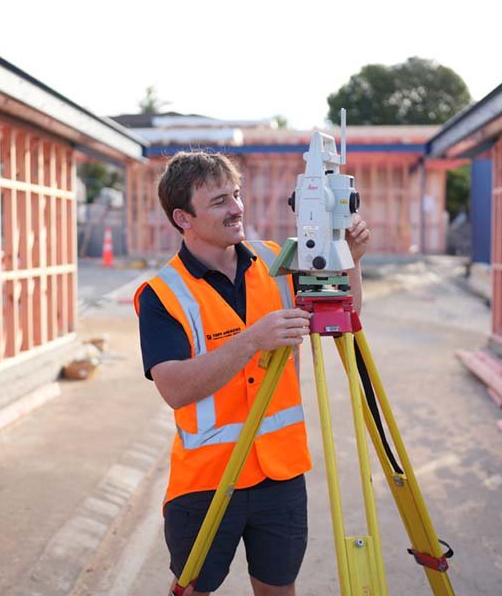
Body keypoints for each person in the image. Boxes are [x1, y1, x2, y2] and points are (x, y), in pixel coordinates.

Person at [134, 151, 370, 596]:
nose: (238, 208)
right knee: (193, 589)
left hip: (279, 474)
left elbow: (347, 315)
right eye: (221, 200)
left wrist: (350, 259)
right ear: (184, 218)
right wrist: (249, 342)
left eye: (237, 195)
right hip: (206, 480)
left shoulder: (277, 262)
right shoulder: (162, 294)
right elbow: (174, 388)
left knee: (279, 589)